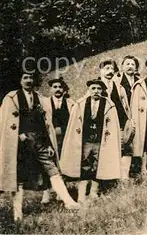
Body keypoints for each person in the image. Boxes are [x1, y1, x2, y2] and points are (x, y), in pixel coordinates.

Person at [0, 67, 80, 221]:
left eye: (31, 78)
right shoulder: (11, 98)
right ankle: (18, 214)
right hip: (20, 143)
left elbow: (46, 123)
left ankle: (69, 202)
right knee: (19, 177)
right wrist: (19, 134)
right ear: (20, 80)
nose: (28, 81)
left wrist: (49, 144)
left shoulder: (40, 98)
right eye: (25, 78)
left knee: (53, 169)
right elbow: (6, 122)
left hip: (39, 140)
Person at [60, 79, 121, 203]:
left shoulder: (108, 104)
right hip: (86, 141)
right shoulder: (81, 104)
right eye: (93, 88)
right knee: (85, 165)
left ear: (102, 90)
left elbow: (111, 124)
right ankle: (81, 195)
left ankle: (93, 192)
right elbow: (75, 123)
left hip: (100, 141)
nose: (96, 91)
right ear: (88, 90)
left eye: (99, 89)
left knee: (98, 165)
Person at [41, 76, 75, 204]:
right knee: (48, 164)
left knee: (63, 162)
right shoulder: (44, 104)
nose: (58, 89)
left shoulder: (71, 104)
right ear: (50, 89)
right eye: (55, 87)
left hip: (66, 139)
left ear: (64, 90)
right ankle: (46, 192)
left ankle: (61, 192)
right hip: (49, 138)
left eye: (60, 87)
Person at [99, 59, 132, 179]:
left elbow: (126, 106)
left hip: (121, 122)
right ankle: (108, 177)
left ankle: (124, 177)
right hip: (104, 124)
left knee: (126, 148)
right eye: (106, 69)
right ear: (101, 71)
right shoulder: (96, 87)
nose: (109, 71)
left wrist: (129, 120)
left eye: (111, 69)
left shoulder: (119, 87)